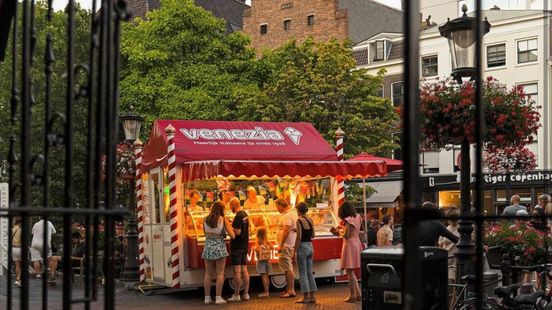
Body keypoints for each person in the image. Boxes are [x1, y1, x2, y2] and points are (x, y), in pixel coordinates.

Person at [202, 201, 235, 305]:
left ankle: (207, 298)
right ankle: (218, 297)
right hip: (219, 246)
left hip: (208, 245)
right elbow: (232, 235)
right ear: (221, 209)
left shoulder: (204, 219)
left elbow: (204, 233)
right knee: (220, 273)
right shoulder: (223, 220)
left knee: (208, 273)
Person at [331, 201, 362, 303]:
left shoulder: (348, 220)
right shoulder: (357, 217)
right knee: (351, 271)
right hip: (357, 243)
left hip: (349, 246)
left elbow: (346, 235)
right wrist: (342, 229)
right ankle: (358, 294)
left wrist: (336, 232)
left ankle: (352, 295)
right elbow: (353, 231)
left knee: (349, 271)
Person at [293, 202, 317, 304]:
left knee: (302, 273)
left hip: (302, 247)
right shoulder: (310, 219)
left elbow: (299, 237)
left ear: (298, 210)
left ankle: (305, 297)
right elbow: (313, 235)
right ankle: (312, 296)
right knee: (309, 273)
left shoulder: (299, 220)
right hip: (310, 246)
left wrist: (295, 250)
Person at [227, 197, 250, 302]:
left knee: (237, 272)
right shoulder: (245, 215)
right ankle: (246, 294)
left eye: (230, 206)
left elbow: (237, 232)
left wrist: (228, 225)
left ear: (233, 206)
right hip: (245, 245)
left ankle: (236, 295)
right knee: (245, 271)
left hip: (237, 247)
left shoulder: (237, 216)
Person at [275, 198, 297, 298]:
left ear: (280, 205)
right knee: (287, 268)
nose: (277, 209)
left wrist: (281, 244)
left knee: (288, 268)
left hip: (286, 245)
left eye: (277, 207)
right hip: (290, 244)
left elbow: (287, 230)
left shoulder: (287, 215)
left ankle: (291, 290)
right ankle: (288, 289)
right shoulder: (293, 213)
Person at [438, 208, 460, 283]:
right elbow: (440, 245)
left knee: (453, 282)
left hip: (456, 260)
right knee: (449, 285)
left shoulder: (461, 228)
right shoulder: (445, 229)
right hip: (447, 259)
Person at [255, 227, 271, 298]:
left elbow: (257, 250)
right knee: (266, 276)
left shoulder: (259, 241)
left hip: (261, 261)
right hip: (267, 260)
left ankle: (266, 292)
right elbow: (272, 247)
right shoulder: (267, 241)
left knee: (263, 276)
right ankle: (267, 291)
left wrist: (256, 248)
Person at [12, 217, 22, 288]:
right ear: (20, 223)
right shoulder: (20, 230)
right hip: (20, 249)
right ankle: (18, 278)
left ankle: (17, 280)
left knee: (17, 265)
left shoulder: (11, 230)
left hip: (13, 249)